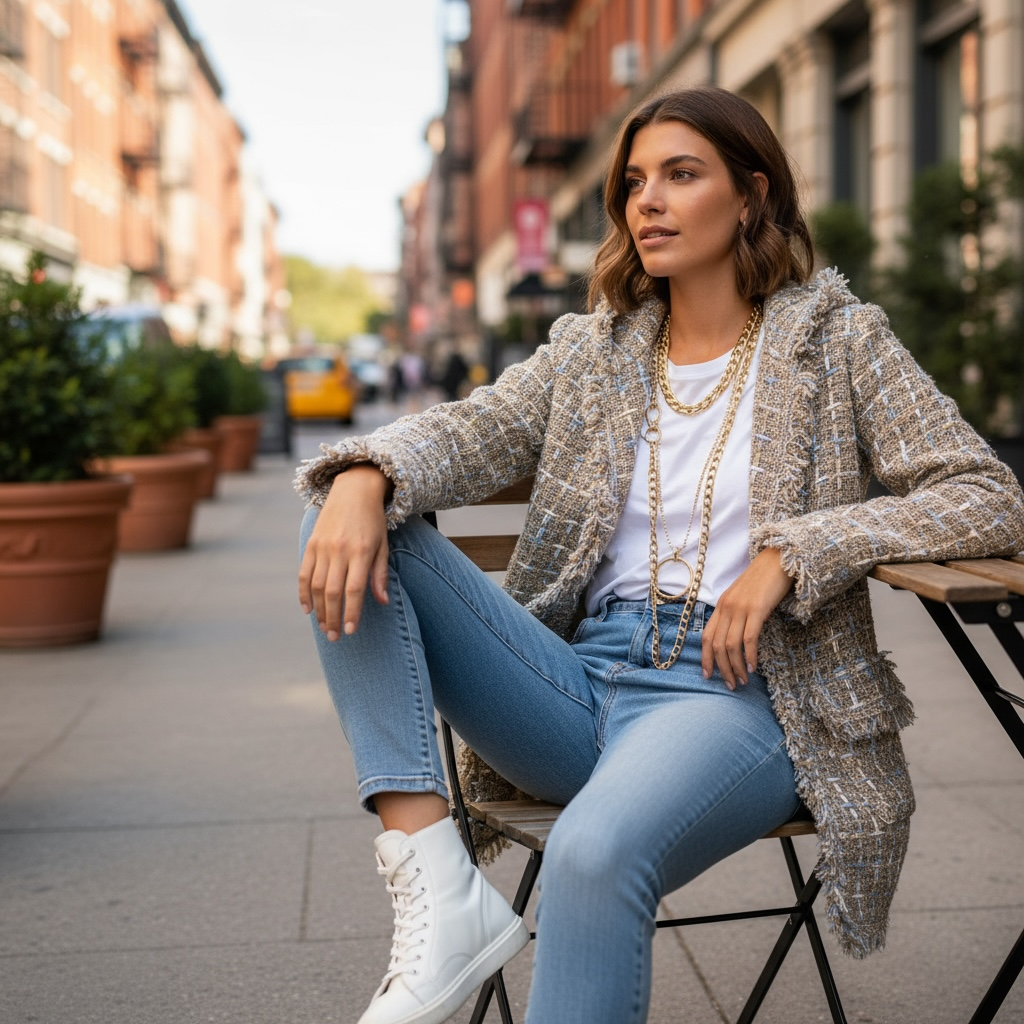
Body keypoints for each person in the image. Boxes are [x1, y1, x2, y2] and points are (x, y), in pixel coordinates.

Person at [295, 87, 1024, 1024]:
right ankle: (437, 884)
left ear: (752, 196)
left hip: (735, 698)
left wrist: (797, 552)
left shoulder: (840, 340)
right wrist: (366, 477)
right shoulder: (592, 352)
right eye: (636, 182)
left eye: (681, 175)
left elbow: (987, 492)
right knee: (343, 510)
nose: (649, 200)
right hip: (571, 689)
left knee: (593, 851)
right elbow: (466, 433)